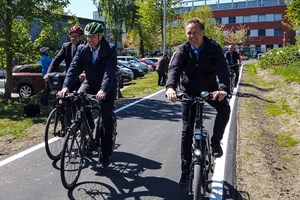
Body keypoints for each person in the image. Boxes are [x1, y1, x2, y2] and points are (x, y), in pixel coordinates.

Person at [165, 18, 231, 189]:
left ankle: (216, 142)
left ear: (203, 32)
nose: (192, 35)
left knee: (224, 110)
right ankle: (185, 172)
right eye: (189, 32)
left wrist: (223, 89)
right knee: (187, 130)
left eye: (195, 32)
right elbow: (175, 69)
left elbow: (223, 69)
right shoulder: (182, 49)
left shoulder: (213, 48)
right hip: (189, 92)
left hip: (210, 90)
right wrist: (171, 88)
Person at [58, 22, 118, 168]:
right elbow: (73, 68)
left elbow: (109, 72)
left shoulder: (109, 49)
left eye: (92, 37)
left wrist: (103, 89)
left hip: (107, 87)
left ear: (100, 36)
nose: (89, 39)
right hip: (90, 83)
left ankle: (105, 154)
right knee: (77, 97)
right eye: (87, 36)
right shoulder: (82, 49)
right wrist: (65, 86)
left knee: (105, 118)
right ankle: (88, 124)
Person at [44, 26, 85, 91]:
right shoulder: (66, 46)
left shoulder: (86, 47)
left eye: (75, 36)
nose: (73, 38)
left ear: (81, 36)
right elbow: (57, 60)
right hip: (69, 77)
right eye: (71, 36)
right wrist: (49, 73)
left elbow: (90, 63)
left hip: (81, 78)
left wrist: (84, 73)